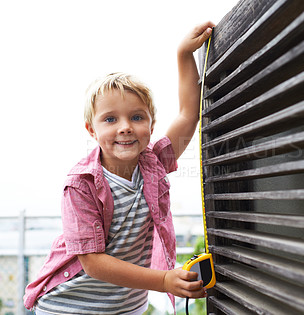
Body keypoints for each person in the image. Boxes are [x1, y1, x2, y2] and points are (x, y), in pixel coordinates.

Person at [23, 21, 215, 315]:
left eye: (137, 117)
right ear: (91, 130)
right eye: (110, 119)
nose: (125, 127)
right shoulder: (80, 185)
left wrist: (183, 54)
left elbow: (189, 114)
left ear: (151, 125)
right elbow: (93, 262)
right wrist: (164, 279)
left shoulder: (154, 163)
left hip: (126, 306)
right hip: (70, 306)